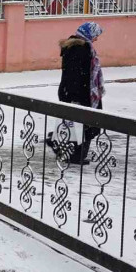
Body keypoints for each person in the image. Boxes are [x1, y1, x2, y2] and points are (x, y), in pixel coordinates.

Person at [48, 21, 105, 165]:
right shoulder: (81, 49)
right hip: (80, 93)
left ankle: (65, 149)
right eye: (95, 35)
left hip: (73, 91)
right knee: (85, 126)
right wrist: (77, 96)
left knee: (73, 125)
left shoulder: (74, 47)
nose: (96, 39)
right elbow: (77, 75)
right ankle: (72, 154)